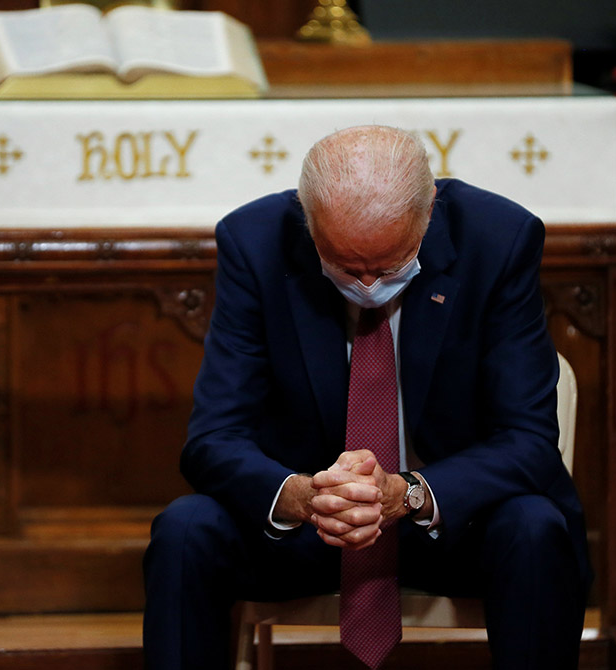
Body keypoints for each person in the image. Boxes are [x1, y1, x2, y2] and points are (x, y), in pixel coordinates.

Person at [143, 125, 591, 670]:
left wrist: (410, 494)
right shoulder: (255, 240)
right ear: (308, 222)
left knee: (535, 526)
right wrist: (306, 497)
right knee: (185, 530)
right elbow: (212, 439)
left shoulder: (499, 238)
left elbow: (529, 440)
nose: (367, 283)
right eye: (344, 267)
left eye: (389, 266)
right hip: (311, 528)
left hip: (450, 524)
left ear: (429, 210)